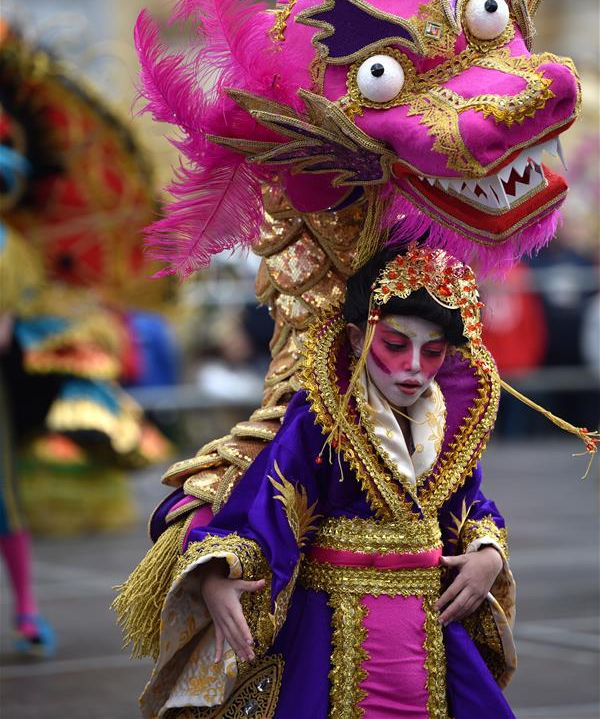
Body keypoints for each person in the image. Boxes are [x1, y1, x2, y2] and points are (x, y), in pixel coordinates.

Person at [116, 244, 519, 718]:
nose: (413, 366)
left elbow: (471, 506)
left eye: (432, 352)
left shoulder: (451, 424)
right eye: (394, 345)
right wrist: (219, 574)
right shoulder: (319, 418)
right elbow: (268, 503)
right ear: (355, 337)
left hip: (429, 631)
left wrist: (486, 555)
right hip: (329, 630)